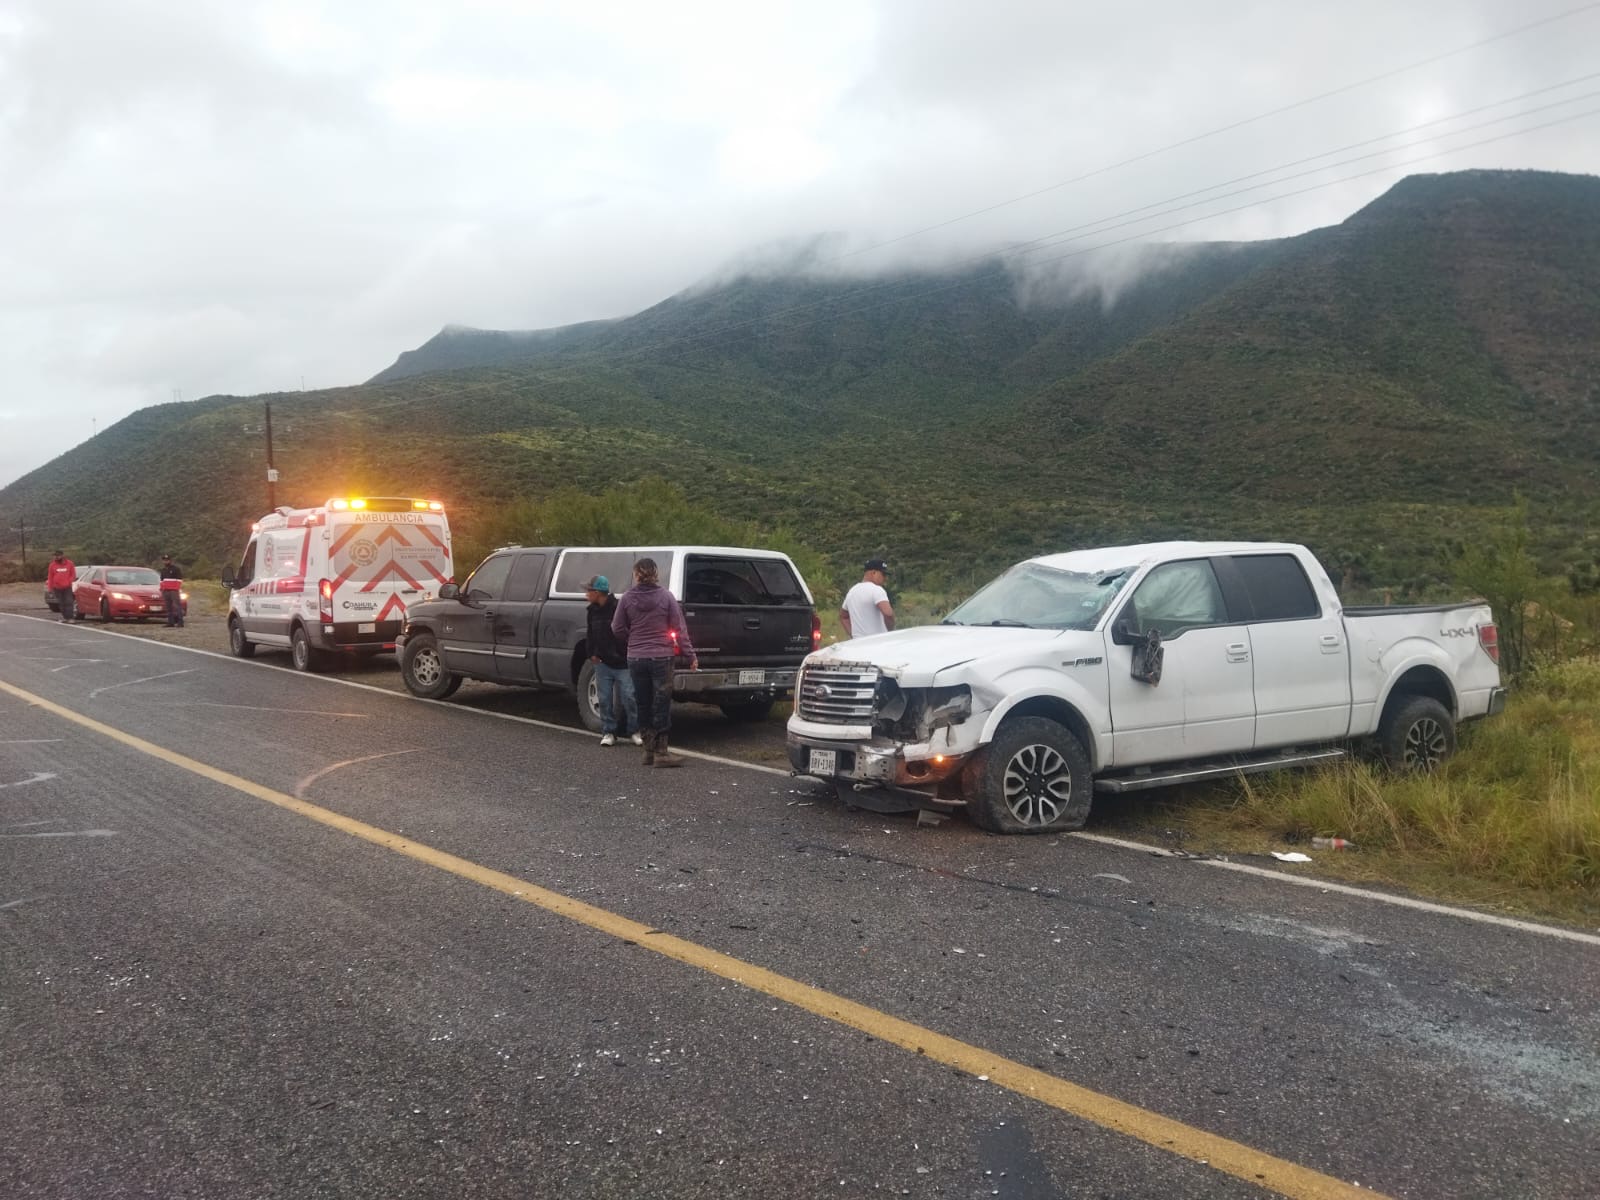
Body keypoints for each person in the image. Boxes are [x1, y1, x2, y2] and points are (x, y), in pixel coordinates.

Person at [612, 557, 698, 768]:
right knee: (661, 703)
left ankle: (648, 751)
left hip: (636, 657)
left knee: (643, 702)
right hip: (661, 657)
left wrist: (632, 640)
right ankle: (661, 752)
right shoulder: (666, 597)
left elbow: (616, 628)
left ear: (636, 575)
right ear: (656, 574)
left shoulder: (626, 598)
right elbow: (679, 629)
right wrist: (691, 655)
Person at [584, 574, 643, 748]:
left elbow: (630, 631)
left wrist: (628, 653)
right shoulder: (591, 611)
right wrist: (591, 653)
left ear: (597, 592)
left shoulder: (619, 608)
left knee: (629, 697)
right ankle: (608, 732)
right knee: (604, 699)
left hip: (623, 663)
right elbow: (590, 634)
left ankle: (634, 731)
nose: (586, 594)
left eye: (589, 590)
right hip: (602, 662)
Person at [841, 557, 895, 639]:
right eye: (883, 575)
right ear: (874, 573)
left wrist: (853, 635)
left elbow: (843, 616)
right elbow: (888, 614)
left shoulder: (852, 591)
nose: (885, 578)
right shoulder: (877, 590)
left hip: (859, 643)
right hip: (878, 641)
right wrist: (891, 633)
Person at [47, 549, 76, 623]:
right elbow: (50, 577)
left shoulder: (70, 563)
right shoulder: (52, 565)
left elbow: (73, 575)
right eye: (55, 556)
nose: (56, 557)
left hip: (67, 587)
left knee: (68, 602)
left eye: (58, 555)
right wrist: (50, 589)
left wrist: (69, 582)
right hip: (57, 588)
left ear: (62, 556)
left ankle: (70, 618)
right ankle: (65, 617)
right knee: (61, 603)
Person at [158, 554, 185, 628]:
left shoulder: (176, 569)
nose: (166, 561)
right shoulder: (163, 570)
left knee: (177, 606)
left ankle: (180, 622)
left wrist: (176, 588)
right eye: (164, 560)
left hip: (173, 590)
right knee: (168, 607)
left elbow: (179, 580)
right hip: (166, 590)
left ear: (170, 560)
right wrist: (162, 589)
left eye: (167, 560)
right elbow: (161, 581)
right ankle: (170, 622)